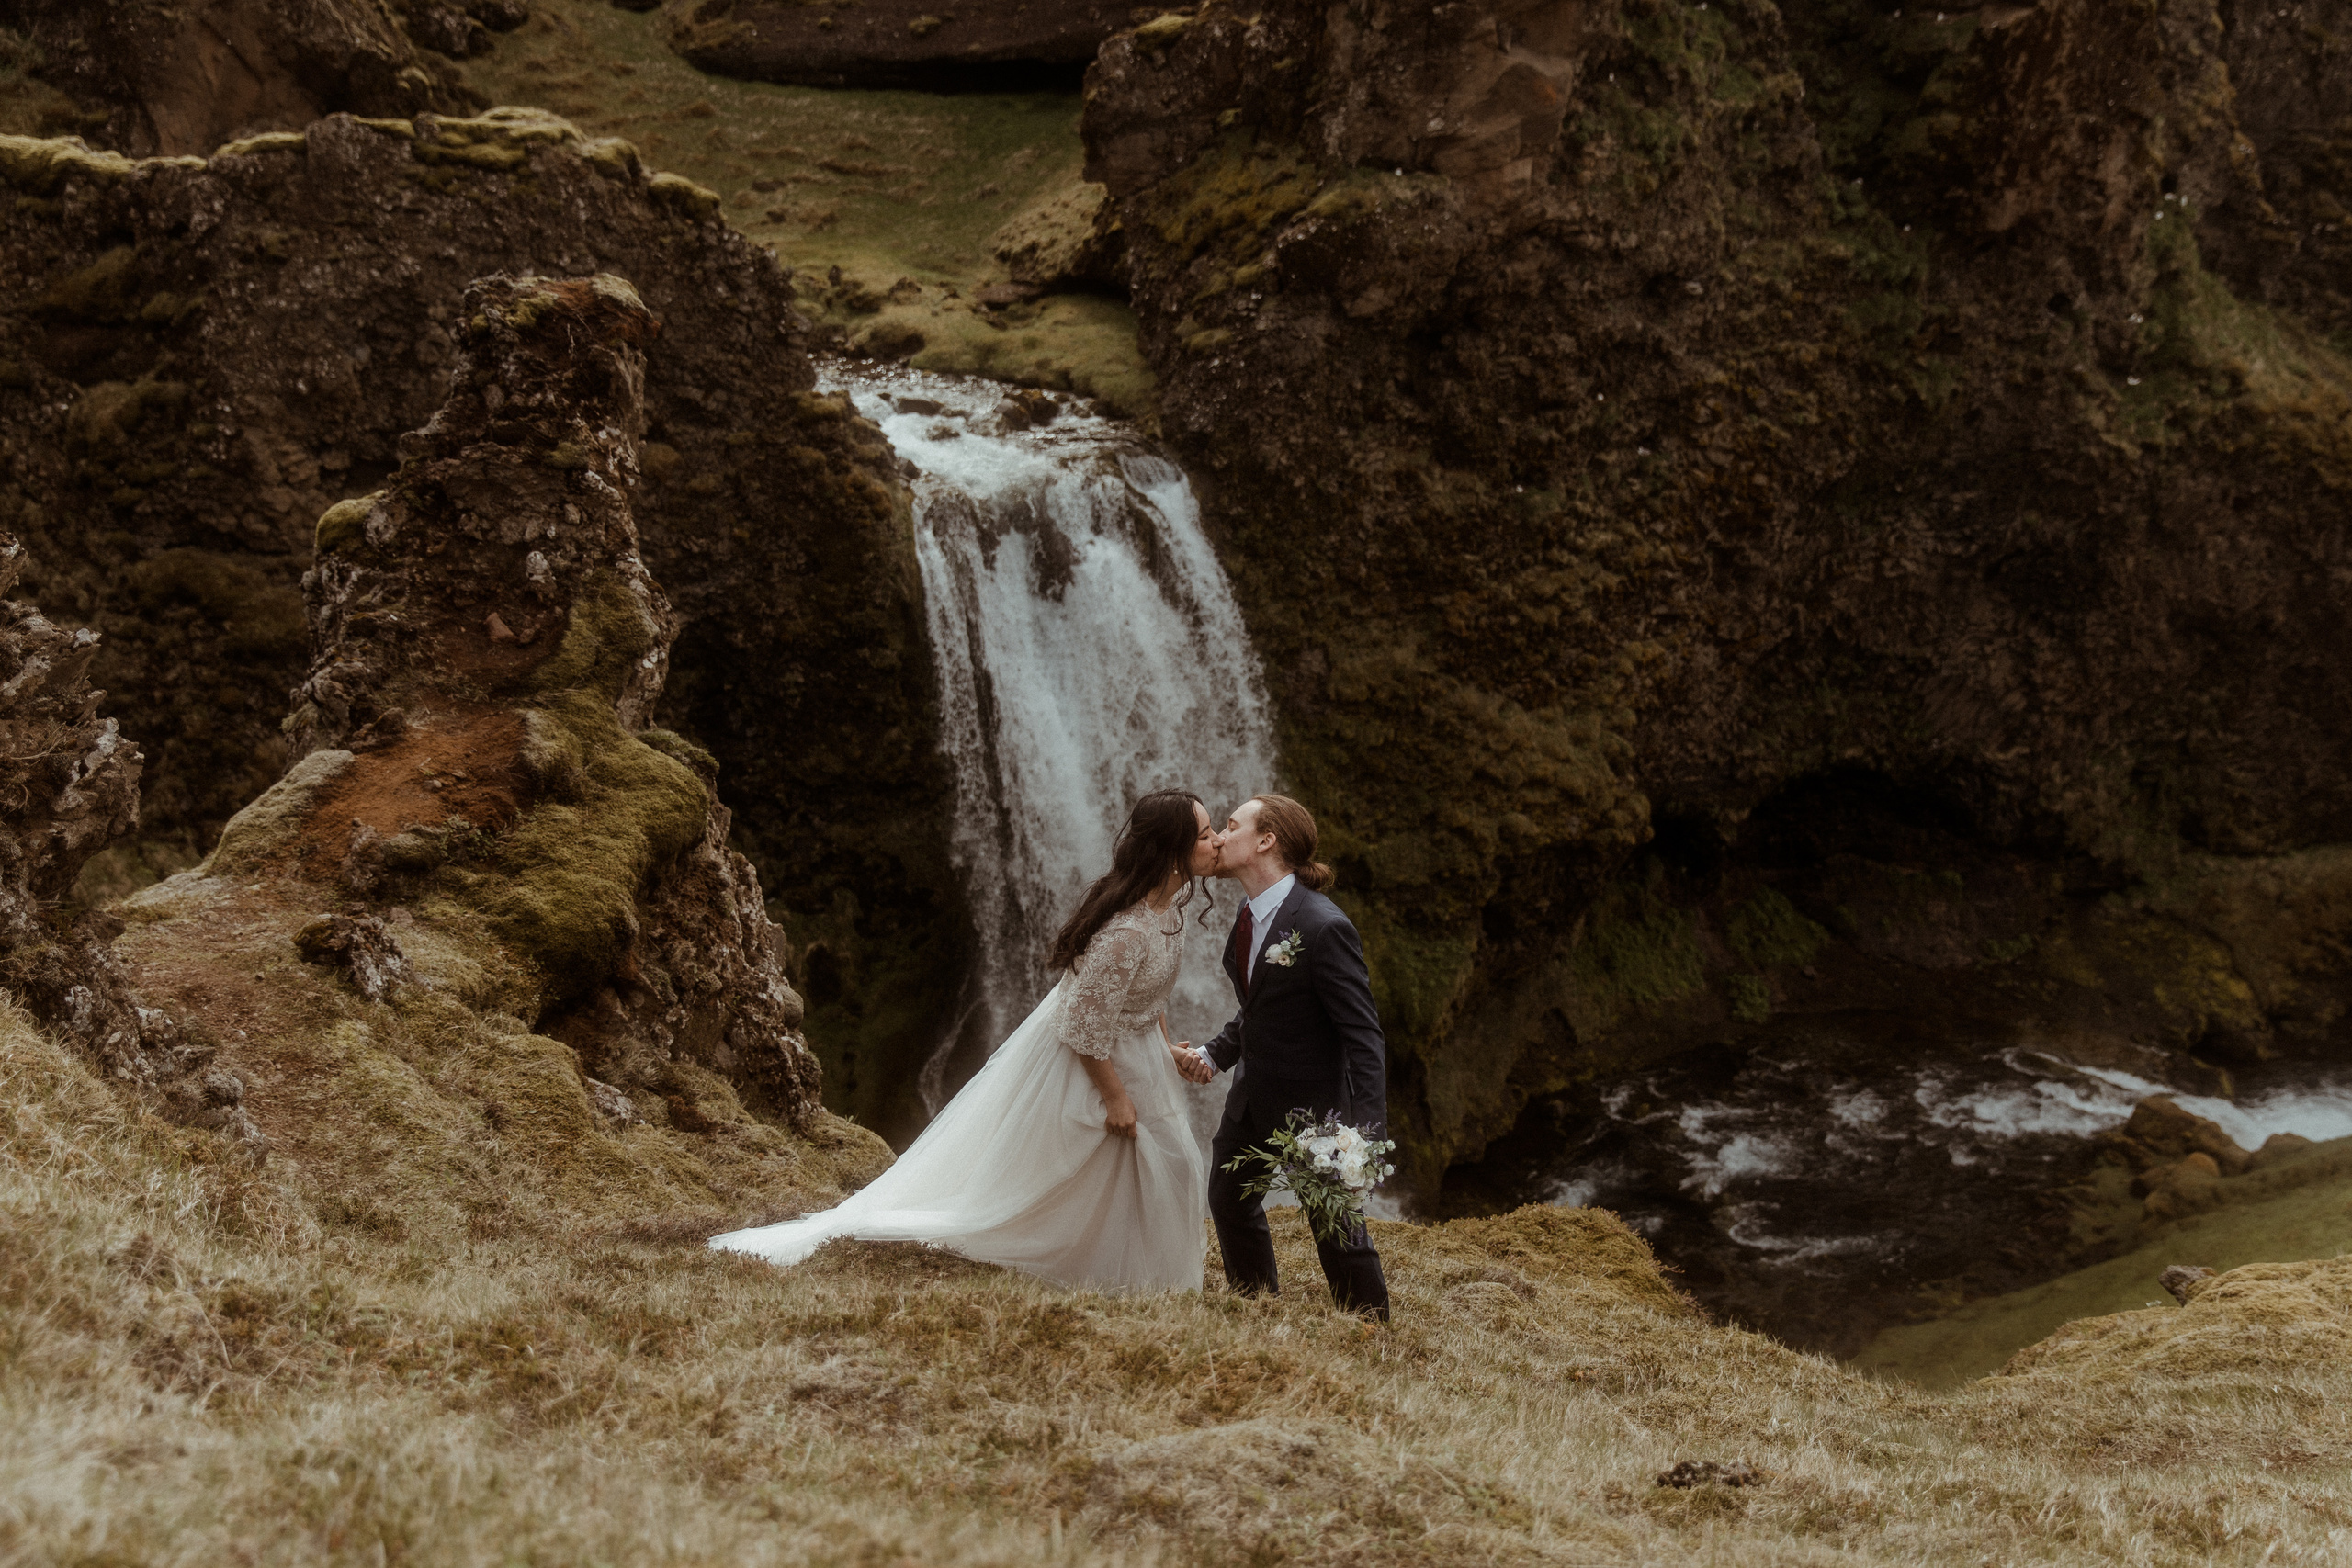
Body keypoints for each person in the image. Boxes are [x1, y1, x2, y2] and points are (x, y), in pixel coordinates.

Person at [709, 790, 1219, 1292]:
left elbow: (1146, 998)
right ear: (1173, 850)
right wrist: (1115, 1098)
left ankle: (1135, 1275)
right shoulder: (1127, 932)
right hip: (1093, 1065)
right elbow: (1083, 1025)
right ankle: (1104, 1271)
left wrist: (1165, 1048)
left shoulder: (1164, 912)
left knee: (1158, 1166)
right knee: (1093, 1176)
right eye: (1205, 833)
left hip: (1133, 1055)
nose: (1216, 842)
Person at [1193, 794, 1392, 1319]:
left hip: (1315, 1112)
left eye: (1230, 826)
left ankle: (1372, 1335)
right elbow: (1258, 1008)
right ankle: (1258, 1309)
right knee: (1229, 1203)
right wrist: (1216, 1055)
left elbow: (1364, 1036)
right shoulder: (1246, 912)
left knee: (1337, 1233)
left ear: (1265, 841)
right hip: (1253, 1100)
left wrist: (1366, 1138)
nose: (1218, 836)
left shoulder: (1325, 927)